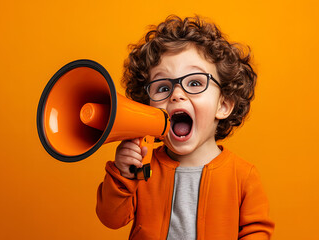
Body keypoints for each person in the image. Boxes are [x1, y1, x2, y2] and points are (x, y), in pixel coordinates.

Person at [96, 15, 275, 239]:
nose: (176, 95)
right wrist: (123, 175)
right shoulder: (143, 167)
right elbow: (111, 218)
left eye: (194, 83)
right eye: (162, 87)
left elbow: (256, 231)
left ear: (224, 105)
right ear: (147, 107)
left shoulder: (243, 175)